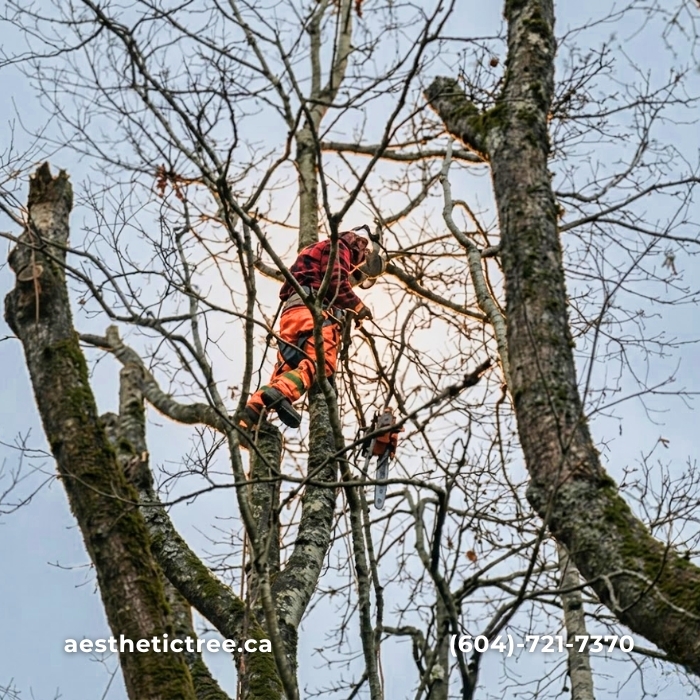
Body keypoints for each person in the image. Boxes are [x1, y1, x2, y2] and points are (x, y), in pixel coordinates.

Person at [239, 227, 381, 431]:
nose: (362, 260)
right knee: (321, 364)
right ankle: (281, 392)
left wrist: (348, 311)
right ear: (360, 243)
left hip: (292, 312)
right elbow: (335, 281)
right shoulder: (340, 246)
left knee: (287, 368)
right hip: (315, 311)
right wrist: (357, 306)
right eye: (364, 254)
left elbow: (329, 280)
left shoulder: (317, 250)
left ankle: (250, 416)